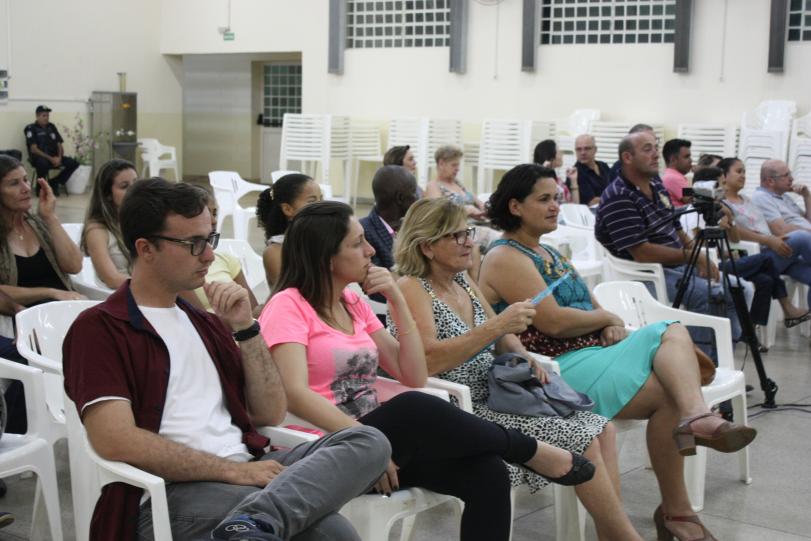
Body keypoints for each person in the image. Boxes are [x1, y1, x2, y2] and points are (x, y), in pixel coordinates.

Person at [63, 178, 391, 541]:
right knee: (329, 532)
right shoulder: (102, 328)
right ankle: (257, 520)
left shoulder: (203, 322)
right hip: (168, 492)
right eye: (194, 244)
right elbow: (114, 439)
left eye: (211, 239)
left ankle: (255, 522)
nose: (209, 255)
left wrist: (247, 329)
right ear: (146, 248)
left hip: (248, 467)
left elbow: (269, 412)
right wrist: (233, 472)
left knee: (369, 442)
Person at [260, 201, 597, 541]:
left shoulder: (352, 302)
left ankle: (525, 452)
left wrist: (396, 299)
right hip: (319, 447)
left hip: (374, 441)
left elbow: (413, 375)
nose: (371, 250)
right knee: (414, 406)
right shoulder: (287, 306)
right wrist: (366, 443)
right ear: (326, 256)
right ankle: (528, 450)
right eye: (357, 243)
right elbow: (295, 394)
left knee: (488, 471)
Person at [478, 164, 757, 541]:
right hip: (554, 370)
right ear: (515, 206)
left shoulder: (547, 251)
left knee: (670, 393)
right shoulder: (505, 256)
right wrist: (607, 318)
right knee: (668, 330)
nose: (555, 206)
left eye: (556, 198)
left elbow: (589, 304)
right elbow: (554, 322)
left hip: (593, 353)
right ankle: (694, 432)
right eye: (543, 199)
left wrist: (604, 321)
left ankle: (678, 507)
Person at [394, 197, 646, 540]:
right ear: (427, 246)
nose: (469, 242)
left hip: (498, 393)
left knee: (603, 429)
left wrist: (524, 355)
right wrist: (498, 327)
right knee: (582, 438)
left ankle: (611, 533)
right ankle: (623, 537)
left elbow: (502, 336)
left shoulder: (462, 281)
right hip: (458, 408)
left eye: (468, 232)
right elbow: (428, 361)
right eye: (456, 236)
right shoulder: (412, 288)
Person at [595, 132, 741, 359]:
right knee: (705, 294)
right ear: (627, 157)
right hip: (644, 273)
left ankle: (724, 356)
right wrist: (692, 257)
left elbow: (677, 227)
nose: (656, 154)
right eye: (647, 149)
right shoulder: (618, 196)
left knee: (737, 288)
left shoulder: (656, 184)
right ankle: (700, 365)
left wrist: (696, 253)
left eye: (656, 147)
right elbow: (642, 253)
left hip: (674, 264)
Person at [720, 157, 811, 327]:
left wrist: (807, 197)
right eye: (738, 171)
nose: (743, 175)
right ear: (723, 176)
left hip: (775, 247)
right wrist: (768, 239)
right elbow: (735, 233)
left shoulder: (746, 199)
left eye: (744, 171)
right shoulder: (722, 204)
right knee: (802, 237)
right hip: (757, 253)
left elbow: (763, 227)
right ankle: (787, 310)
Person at [0, 155, 84, 306]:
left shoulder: (37, 223)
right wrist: (50, 292)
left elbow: (74, 266)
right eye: (14, 183)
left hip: (65, 307)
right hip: (26, 314)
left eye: (25, 180)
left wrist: (50, 218)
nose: (26, 188)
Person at [179, 190, 259, 316]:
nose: (214, 220)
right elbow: (201, 321)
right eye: (206, 213)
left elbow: (253, 311)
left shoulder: (226, 259)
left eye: (215, 213)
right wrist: (237, 318)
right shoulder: (179, 267)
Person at [256, 173, 322, 287]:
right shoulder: (275, 252)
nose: (321, 206)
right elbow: (293, 292)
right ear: (287, 209)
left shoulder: (321, 240)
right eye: (312, 201)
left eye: (321, 199)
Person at [80, 159, 137, 289]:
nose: (134, 190)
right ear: (108, 195)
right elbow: (112, 279)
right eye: (125, 186)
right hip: (120, 294)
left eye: (136, 183)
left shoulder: (139, 220)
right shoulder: (97, 231)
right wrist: (155, 287)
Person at [359, 165, 419, 270]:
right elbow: (376, 277)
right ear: (400, 198)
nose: (418, 197)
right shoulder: (364, 233)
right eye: (414, 192)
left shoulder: (414, 227)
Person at [23, 105, 79, 196]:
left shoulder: (51, 126)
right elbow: (34, 149)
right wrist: (51, 159)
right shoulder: (31, 128)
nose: (46, 118)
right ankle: (41, 187)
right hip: (39, 158)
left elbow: (59, 144)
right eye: (44, 115)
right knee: (42, 163)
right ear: (37, 116)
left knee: (74, 163)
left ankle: (54, 182)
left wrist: (59, 158)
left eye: (48, 116)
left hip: (54, 157)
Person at [751, 159, 811, 235]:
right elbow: (781, 230)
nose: (792, 179)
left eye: (790, 174)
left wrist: (807, 196)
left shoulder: (784, 196)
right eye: (786, 175)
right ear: (770, 181)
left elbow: (808, 222)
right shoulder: (761, 197)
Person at [572, 134, 611, 206]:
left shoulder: (603, 166)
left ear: (595, 150)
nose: (583, 153)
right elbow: (592, 202)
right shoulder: (575, 174)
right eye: (579, 149)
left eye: (587, 148)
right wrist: (613, 196)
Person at [661, 139, 694, 208]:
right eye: (686, 157)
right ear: (673, 159)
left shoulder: (670, 175)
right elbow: (692, 199)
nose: (691, 160)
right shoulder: (674, 178)